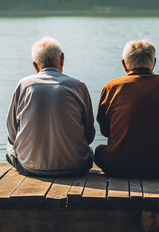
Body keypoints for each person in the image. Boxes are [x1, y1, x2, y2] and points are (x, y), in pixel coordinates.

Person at [95, 39, 159, 178]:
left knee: (98, 151)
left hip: (119, 167)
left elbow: (105, 131)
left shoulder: (112, 88)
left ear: (124, 64)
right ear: (154, 62)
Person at [6, 37, 95, 176]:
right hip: (76, 167)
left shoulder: (24, 86)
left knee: (9, 147)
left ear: (35, 65)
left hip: (31, 168)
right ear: (62, 59)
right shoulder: (78, 86)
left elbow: (12, 135)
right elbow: (89, 136)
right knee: (91, 151)